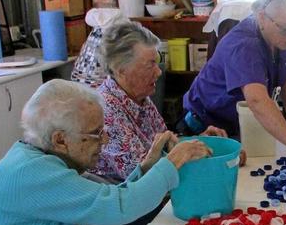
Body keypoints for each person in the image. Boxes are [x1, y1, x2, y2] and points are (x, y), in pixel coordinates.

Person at [0, 79, 211, 225]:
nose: (104, 140)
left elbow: (106, 195)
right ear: (60, 140)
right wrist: (172, 162)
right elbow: (118, 207)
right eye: (96, 133)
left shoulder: (38, 159)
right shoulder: (31, 174)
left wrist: (146, 167)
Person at [181, 0, 286, 167]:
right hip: (203, 126)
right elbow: (257, 101)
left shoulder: (281, 36)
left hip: (235, 124)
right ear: (262, 17)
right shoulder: (245, 44)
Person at [90, 21, 229, 181]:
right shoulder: (106, 110)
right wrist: (189, 150)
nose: (158, 72)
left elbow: (165, 146)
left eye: (157, 62)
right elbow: (140, 176)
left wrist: (200, 140)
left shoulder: (139, 97)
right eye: (150, 65)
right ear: (122, 70)